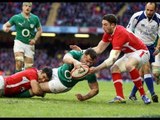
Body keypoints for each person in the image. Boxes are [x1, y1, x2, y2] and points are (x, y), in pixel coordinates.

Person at [70, 14, 151, 104]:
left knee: (128, 65)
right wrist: (82, 51)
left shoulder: (120, 33)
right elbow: (98, 49)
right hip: (129, 54)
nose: (103, 27)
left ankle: (144, 95)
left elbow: (112, 59)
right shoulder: (108, 33)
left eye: (105, 24)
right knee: (114, 69)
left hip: (142, 51)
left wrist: (96, 69)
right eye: (102, 24)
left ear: (112, 25)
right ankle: (120, 97)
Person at [15, 48, 99, 101]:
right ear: (84, 55)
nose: (88, 64)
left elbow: (95, 89)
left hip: (62, 84)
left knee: (36, 87)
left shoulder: (89, 71)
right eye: (87, 60)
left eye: (91, 63)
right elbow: (65, 58)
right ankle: (11, 83)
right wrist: (75, 62)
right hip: (56, 71)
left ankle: (13, 95)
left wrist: (84, 97)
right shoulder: (77, 54)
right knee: (33, 76)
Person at [126, 2, 160, 102]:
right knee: (146, 67)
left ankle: (132, 94)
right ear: (145, 8)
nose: (149, 12)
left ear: (156, 10)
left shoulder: (158, 19)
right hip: (138, 46)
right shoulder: (136, 16)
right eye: (147, 10)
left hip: (150, 47)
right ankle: (153, 93)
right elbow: (128, 31)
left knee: (141, 73)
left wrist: (158, 47)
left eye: (151, 10)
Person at [2, 2, 42, 73]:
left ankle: (24, 81)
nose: (27, 8)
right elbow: (5, 25)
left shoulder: (35, 18)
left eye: (29, 6)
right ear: (22, 7)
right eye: (26, 6)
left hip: (30, 44)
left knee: (28, 67)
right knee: (19, 60)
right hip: (19, 42)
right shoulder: (16, 17)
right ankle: (17, 80)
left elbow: (39, 30)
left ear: (31, 8)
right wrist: (5, 29)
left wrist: (35, 39)